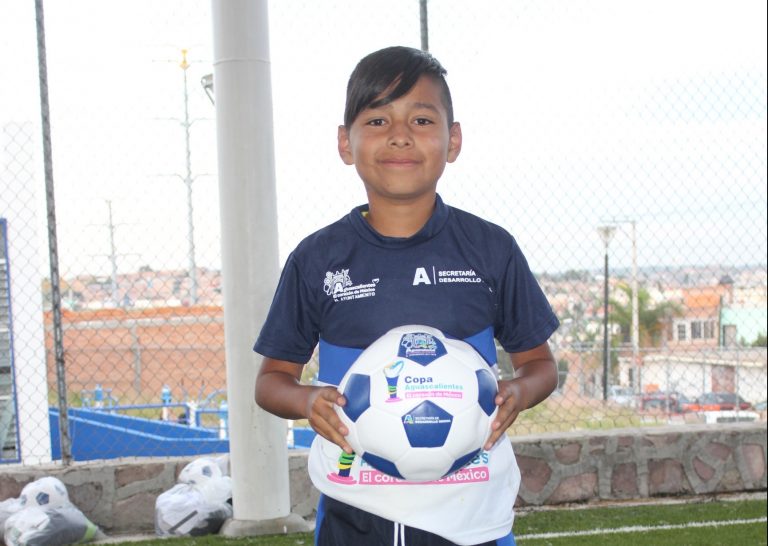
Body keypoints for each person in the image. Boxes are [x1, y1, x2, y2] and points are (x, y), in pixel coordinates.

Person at [254, 45, 559, 546]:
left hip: (471, 513)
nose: (399, 135)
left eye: (421, 119)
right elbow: (270, 382)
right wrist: (307, 401)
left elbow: (540, 365)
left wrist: (518, 393)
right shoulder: (318, 259)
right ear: (344, 143)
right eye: (376, 121)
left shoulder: (491, 249)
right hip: (356, 506)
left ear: (452, 139)